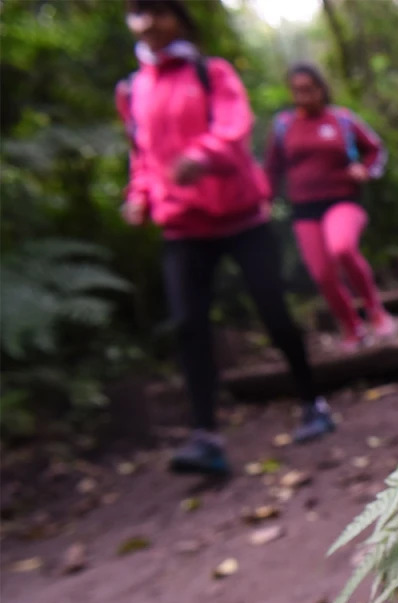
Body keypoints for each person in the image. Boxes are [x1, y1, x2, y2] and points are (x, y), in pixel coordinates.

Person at [117, 0, 334, 476]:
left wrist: (204, 155)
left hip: (241, 217)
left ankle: (312, 401)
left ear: (179, 17)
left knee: (273, 311)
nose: (148, 22)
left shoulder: (209, 72)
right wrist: (139, 195)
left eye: (157, 11)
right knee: (189, 325)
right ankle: (205, 437)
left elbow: (233, 127)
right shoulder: (132, 88)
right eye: (138, 13)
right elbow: (142, 155)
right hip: (182, 224)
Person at [265, 62, 394, 353]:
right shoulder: (284, 126)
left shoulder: (342, 120)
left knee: (342, 248)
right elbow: (272, 168)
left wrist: (366, 169)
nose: (303, 96)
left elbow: (376, 149)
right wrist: (267, 199)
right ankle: (351, 326)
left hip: (343, 200)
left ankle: (375, 311)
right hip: (304, 210)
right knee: (322, 274)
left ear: (321, 89)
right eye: (297, 91)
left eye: (309, 89)